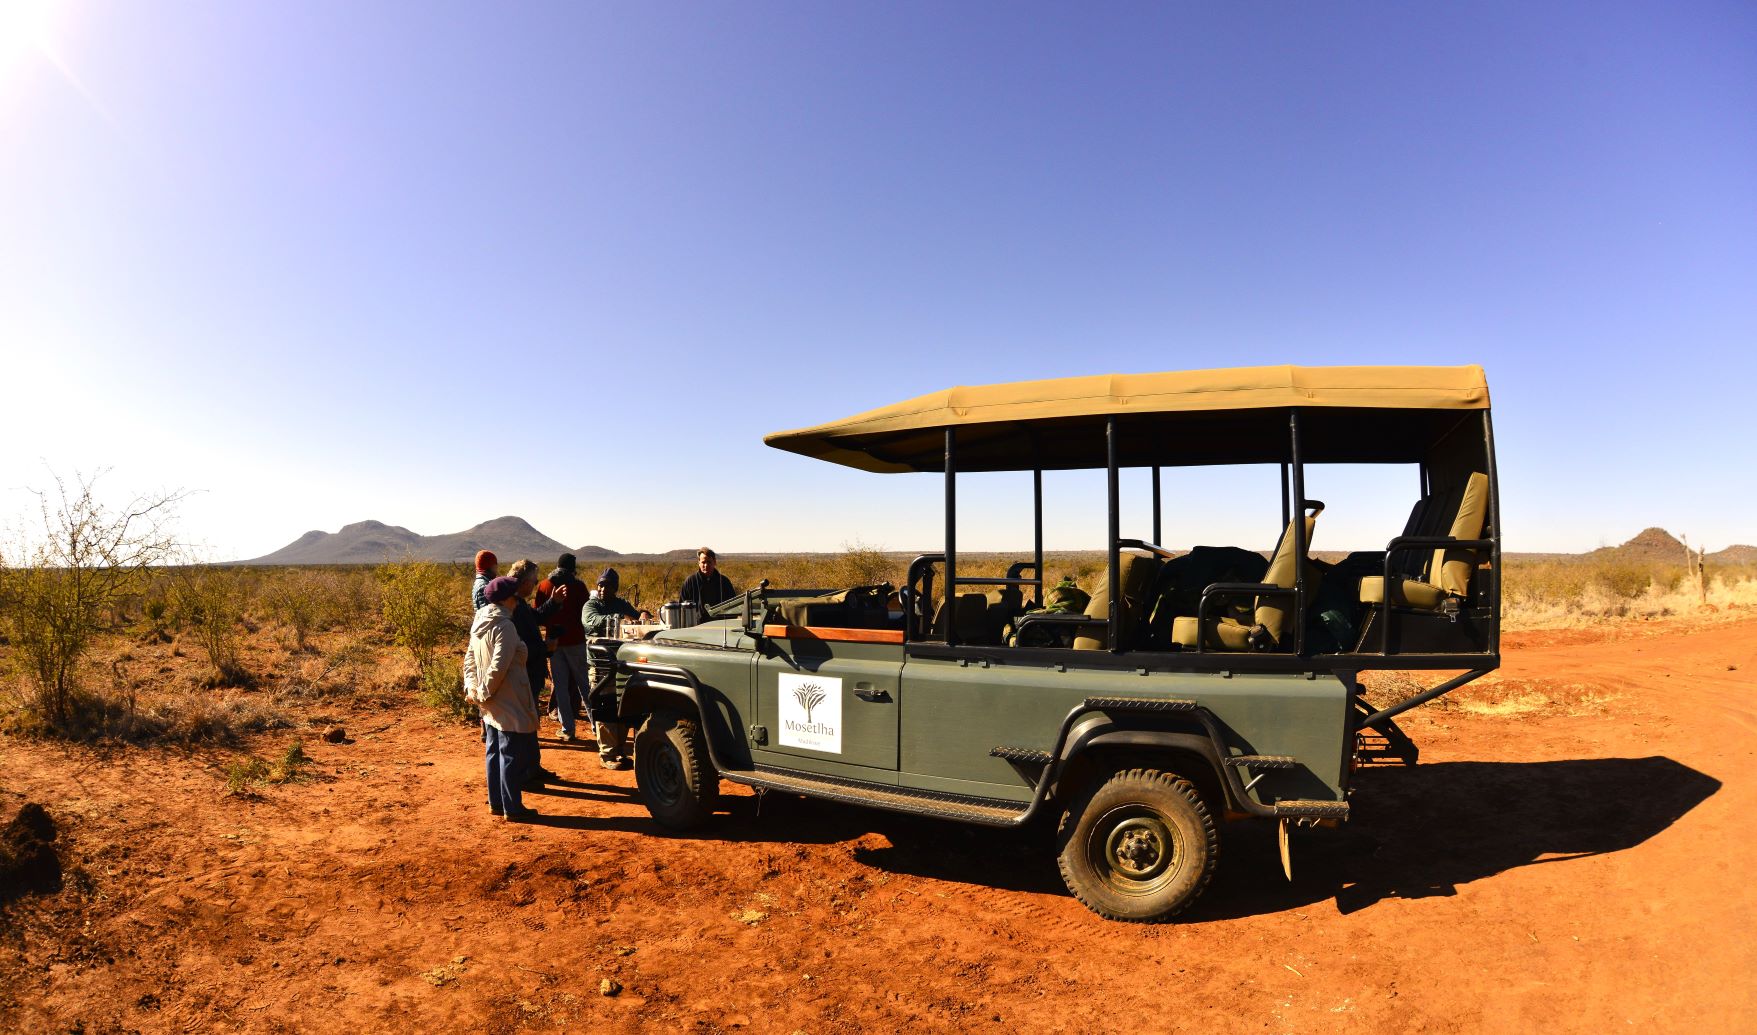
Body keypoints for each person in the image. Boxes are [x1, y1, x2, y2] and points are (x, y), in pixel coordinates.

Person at [467, 576, 538, 821]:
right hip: (506, 696)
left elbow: (470, 660)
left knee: (493, 750)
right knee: (509, 752)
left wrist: (474, 689)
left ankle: (497, 803)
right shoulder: (505, 626)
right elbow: (500, 664)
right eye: (516, 598)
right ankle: (512, 807)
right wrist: (485, 691)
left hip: (488, 697)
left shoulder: (479, 621)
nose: (518, 603)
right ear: (507, 599)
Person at [582, 568, 650, 769]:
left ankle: (620, 751)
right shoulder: (590, 605)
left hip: (621, 664)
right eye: (600, 585)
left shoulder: (620, 603)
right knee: (605, 708)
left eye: (608, 585)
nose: (603, 589)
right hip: (601, 663)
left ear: (615, 588)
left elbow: (637, 617)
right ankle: (607, 754)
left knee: (621, 708)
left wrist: (644, 614)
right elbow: (590, 622)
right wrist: (620, 617)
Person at [506, 560, 561, 787]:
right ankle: (525, 773)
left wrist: (553, 603)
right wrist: (544, 648)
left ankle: (532, 767)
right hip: (523, 673)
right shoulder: (512, 606)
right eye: (535, 581)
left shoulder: (518, 603)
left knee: (531, 721)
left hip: (530, 672)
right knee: (522, 725)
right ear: (525, 582)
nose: (536, 584)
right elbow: (518, 647)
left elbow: (536, 617)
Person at [535, 553, 591, 744]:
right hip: (576, 641)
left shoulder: (544, 585)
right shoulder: (578, 586)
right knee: (585, 686)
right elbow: (585, 614)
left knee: (560, 687)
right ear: (573, 567)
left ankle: (568, 729)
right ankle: (597, 728)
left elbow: (539, 615)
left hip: (554, 642)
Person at [678, 547, 736, 612]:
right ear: (699, 563)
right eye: (703, 562)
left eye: (709, 562)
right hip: (696, 622)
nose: (706, 565)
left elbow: (733, 606)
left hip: (720, 621)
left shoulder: (724, 581)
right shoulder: (690, 582)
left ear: (714, 562)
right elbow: (682, 607)